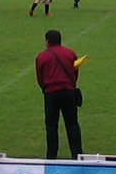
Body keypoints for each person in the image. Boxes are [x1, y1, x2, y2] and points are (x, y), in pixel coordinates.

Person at [35, 28, 82, 159]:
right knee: (72, 123)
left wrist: (45, 89)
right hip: (68, 92)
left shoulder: (42, 56)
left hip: (51, 93)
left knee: (51, 125)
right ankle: (77, 154)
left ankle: (51, 155)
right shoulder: (70, 53)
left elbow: (40, 77)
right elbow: (75, 73)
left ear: (47, 41)